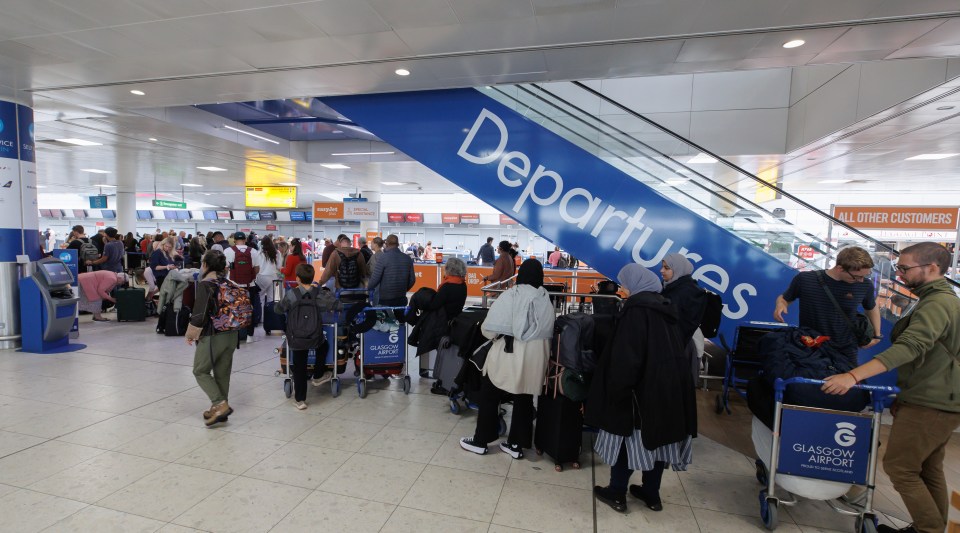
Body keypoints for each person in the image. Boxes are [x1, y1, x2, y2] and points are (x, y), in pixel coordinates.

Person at [821, 243, 960, 533]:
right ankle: (927, 528)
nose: (899, 273)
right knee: (928, 468)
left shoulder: (938, 303)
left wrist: (853, 376)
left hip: (932, 400)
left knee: (901, 468)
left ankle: (930, 530)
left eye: (905, 268)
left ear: (932, 268)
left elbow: (911, 346)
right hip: (935, 397)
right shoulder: (935, 299)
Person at [588, 264, 697, 514]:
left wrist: (617, 391)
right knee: (657, 442)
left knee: (626, 440)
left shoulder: (636, 312)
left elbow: (628, 358)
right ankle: (651, 494)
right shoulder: (665, 309)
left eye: (625, 283)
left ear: (637, 284)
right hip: (666, 391)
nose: (622, 288)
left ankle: (616, 492)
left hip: (640, 393)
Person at [460, 259, 554, 459]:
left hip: (510, 354)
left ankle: (481, 441)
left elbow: (490, 328)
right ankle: (516, 445)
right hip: (536, 357)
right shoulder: (545, 297)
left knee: (489, 394)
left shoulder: (512, 294)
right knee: (524, 397)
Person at [774, 246, 882, 367]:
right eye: (857, 277)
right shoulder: (805, 280)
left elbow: (871, 307)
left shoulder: (865, 286)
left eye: (865, 276)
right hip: (810, 346)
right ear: (840, 268)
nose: (861, 280)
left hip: (846, 349)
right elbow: (784, 298)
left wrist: (877, 335)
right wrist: (780, 305)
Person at [185, 250, 238, 427]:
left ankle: (220, 404)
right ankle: (219, 409)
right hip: (232, 334)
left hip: (213, 335)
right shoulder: (229, 283)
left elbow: (199, 313)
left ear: (206, 265)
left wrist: (191, 334)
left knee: (200, 370)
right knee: (222, 374)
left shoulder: (206, 284)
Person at [274, 263, 336, 410]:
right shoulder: (318, 293)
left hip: (296, 337)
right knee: (324, 345)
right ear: (313, 277)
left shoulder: (292, 294)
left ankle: (300, 400)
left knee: (299, 366)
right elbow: (335, 304)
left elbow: (278, 309)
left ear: (297, 279)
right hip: (315, 334)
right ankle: (318, 375)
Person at [660, 252, 708, 372]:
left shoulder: (686, 292)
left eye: (667, 268)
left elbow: (680, 323)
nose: (661, 271)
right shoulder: (671, 287)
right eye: (662, 267)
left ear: (678, 269)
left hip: (680, 348)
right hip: (674, 346)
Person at [223, 232, 262, 341]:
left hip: (233, 285)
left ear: (234, 240)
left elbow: (226, 269)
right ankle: (249, 336)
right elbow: (257, 269)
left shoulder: (228, 251)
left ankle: (234, 334)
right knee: (249, 310)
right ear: (245, 240)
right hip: (250, 286)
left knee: (233, 309)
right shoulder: (253, 251)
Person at [367, 234, 414, 307]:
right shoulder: (407, 258)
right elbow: (412, 280)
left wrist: (367, 288)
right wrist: (404, 289)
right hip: (401, 298)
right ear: (398, 244)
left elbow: (375, 279)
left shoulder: (383, 258)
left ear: (386, 244)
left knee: (384, 317)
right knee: (401, 317)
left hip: (385, 299)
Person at [257, 236, 283, 311]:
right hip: (275, 277)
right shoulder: (277, 253)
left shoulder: (259, 253)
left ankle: (262, 319)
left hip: (261, 277)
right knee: (273, 299)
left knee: (261, 298)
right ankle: (272, 318)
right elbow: (279, 266)